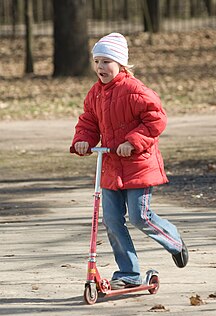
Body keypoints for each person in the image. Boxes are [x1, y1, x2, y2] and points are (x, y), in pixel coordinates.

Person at [70, 32, 188, 290]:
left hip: (138, 165)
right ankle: (128, 272)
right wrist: (83, 140)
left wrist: (132, 142)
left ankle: (174, 241)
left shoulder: (135, 90)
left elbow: (156, 118)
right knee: (112, 221)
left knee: (140, 216)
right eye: (97, 61)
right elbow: (89, 122)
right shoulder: (95, 94)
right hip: (111, 167)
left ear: (121, 64)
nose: (100, 67)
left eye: (106, 62)